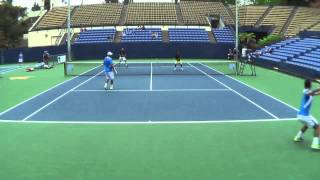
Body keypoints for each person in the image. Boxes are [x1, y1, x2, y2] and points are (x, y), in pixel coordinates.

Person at [294, 79, 320, 150]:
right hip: (304, 116)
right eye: (311, 83)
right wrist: (318, 88)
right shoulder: (305, 91)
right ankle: (315, 145)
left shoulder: (309, 92)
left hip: (303, 116)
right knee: (317, 127)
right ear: (310, 84)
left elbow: (315, 94)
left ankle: (297, 137)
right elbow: (311, 93)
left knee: (307, 125)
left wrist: (318, 91)